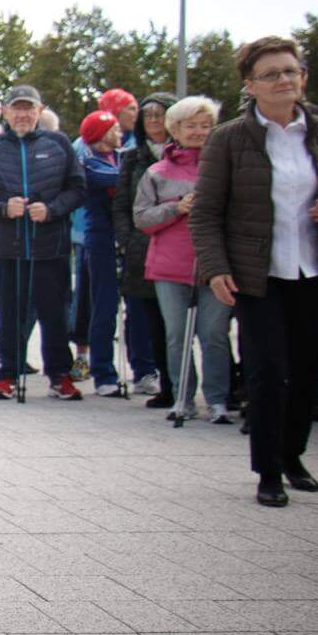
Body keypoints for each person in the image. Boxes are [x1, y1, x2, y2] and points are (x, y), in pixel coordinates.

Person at [189, 36, 318, 507]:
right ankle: (267, 470)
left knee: (307, 372)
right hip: (256, 274)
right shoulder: (229, 138)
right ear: (250, 85)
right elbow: (205, 213)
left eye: (291, 71)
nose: (284, 80)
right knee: (266, 372)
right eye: (271, 74)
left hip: (313, 270)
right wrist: (215, 268)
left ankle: (292, 455)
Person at [0, 86, 85, 400]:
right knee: (9, 315)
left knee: (55, 314)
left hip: (51, 247)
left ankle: (59, 375)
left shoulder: (59, 144)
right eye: (16, 108)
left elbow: (77, 189)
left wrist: (52, 209)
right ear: (5, 111)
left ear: (39, 110)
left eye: (28, 108)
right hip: (8, 248)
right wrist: (3, 208)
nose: (22, 114)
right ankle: (7, 374)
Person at [136, 97, 231, 423]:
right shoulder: (157, 172)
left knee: (214, 334)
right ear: (175, 129)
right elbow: (142, 218)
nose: (199, 132)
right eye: (191, 126)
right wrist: (176, 208)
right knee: (177, 335)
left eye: (206, 126)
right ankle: (182, 397)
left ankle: (218, 399)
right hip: (170, 266)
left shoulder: (225, 167)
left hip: (215, 265)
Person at [114, 95, 177, 408]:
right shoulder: (132, 158)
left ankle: (187, 383)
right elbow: (122, 205)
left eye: (160, 115)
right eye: (148, 115)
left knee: (181, 322)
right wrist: (128, 240)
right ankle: (153, 376)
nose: (153, 121)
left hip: (180, 247)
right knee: (146, 318)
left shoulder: (191, 154)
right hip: (143, 248)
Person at [77, 109, 130, 396]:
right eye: (113, 129)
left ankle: (143, 369)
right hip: (99, 240)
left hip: (126, 238)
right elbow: (115, 180)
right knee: (104, 307)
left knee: (136, 307)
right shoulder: (89, 163)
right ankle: (103, 372)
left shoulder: (122, 158)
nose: (120, 133)